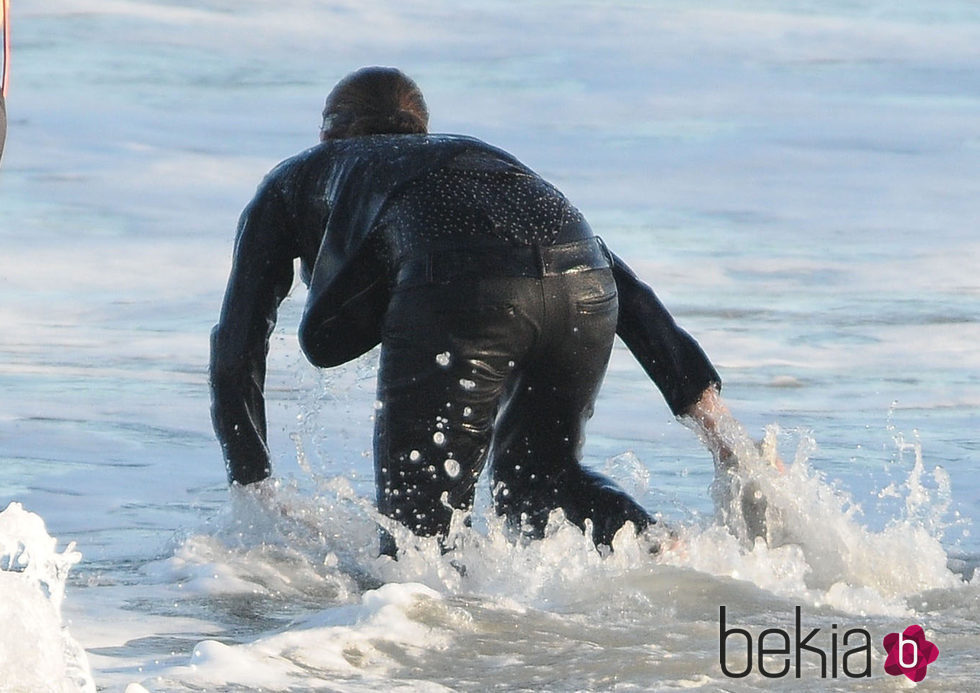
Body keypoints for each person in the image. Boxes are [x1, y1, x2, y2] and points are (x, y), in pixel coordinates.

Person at [210, 66, 747, 555]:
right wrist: (717, 426)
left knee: (416, 548)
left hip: (460, 294)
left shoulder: (297, 177)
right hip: (585, 287)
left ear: (328, 134)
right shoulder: (478, 156)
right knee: (537, 483)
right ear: (419, 130)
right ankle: (659, 549)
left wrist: (254, 491)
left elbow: (236, 351)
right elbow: (620, 281)